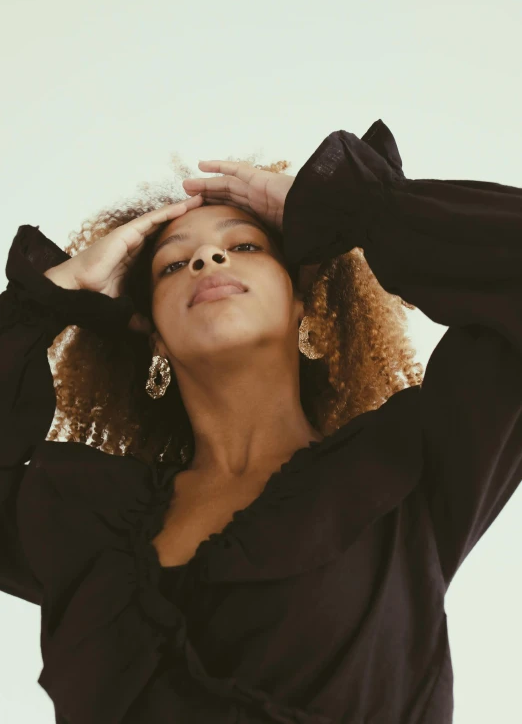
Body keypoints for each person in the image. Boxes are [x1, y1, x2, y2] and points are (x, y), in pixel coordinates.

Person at [1, 118, 520, 723]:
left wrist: (359, 207)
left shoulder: (408, 465)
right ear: (153, 337)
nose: (209, 257)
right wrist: (49, 296)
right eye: (172, 265)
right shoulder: (87, 522)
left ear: (303, 300)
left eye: (244, 245)